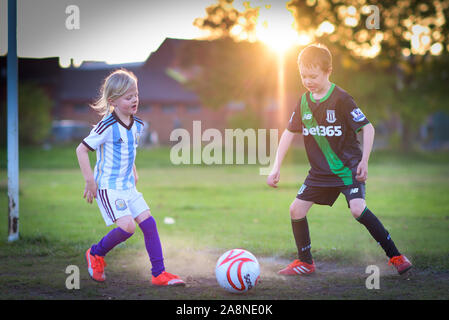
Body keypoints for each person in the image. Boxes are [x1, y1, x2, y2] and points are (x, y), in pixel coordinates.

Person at [267, 44, 412, 276]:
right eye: (303, 76)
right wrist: (276, 167)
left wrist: (364, 161)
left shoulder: (342, 99)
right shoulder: (303, 102)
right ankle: (306, 262)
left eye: (313, 76)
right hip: (319, 173)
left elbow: (368, 128)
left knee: (357, 209)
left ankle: (396, 256)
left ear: (328, 71)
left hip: (347, 169)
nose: (308, 80)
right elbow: (288, 133)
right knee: (296, 210)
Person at [76, 69, 185, 286]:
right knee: (127, 227)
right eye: (128, 97)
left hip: (128, 187)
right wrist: (90, 180)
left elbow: (128, 151)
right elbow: (81, 150)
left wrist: (133, 170)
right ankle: (95, 253)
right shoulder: (106, 126)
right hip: (108, 186)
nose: (134, 99)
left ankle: (158, 274)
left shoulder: (137, 125)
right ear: (113, 101)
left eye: (135, 94)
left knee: (149, 223)